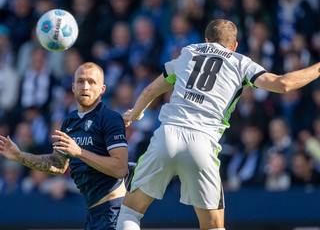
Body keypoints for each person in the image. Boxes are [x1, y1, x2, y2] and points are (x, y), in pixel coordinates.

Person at [115, 19, 320, 230]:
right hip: (202, 144)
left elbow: (151, 91)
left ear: (206, 40)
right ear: (234, 45)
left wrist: (135, 113)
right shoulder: (241, 62)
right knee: (213, 227)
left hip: (167, 135)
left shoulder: (189, 52)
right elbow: (282, 84)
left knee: (130, 212)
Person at [0, 62, 131, 230]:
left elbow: (120, 168)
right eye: (81, 81)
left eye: (92, 82)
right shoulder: (70, 121)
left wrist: (79, 152)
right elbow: (58, 164)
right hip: (93, 213)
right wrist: (20, 156)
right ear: (73, 87)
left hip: (114, 211)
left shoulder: (110, 119)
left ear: (102, 89)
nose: (85, 86)